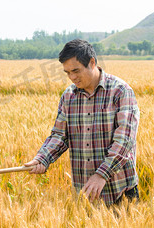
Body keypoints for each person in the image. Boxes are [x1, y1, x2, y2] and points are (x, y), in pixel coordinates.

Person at [24, 39, 140, 205]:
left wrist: (102, 174)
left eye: (76, 70)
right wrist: (42, 158)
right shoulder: (68, 96)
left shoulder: (120, 91)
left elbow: (124, 141)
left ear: (92, 63)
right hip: (85, 194)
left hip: (119, 191)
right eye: (67, 72)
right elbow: (59, 135)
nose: (72, 77)